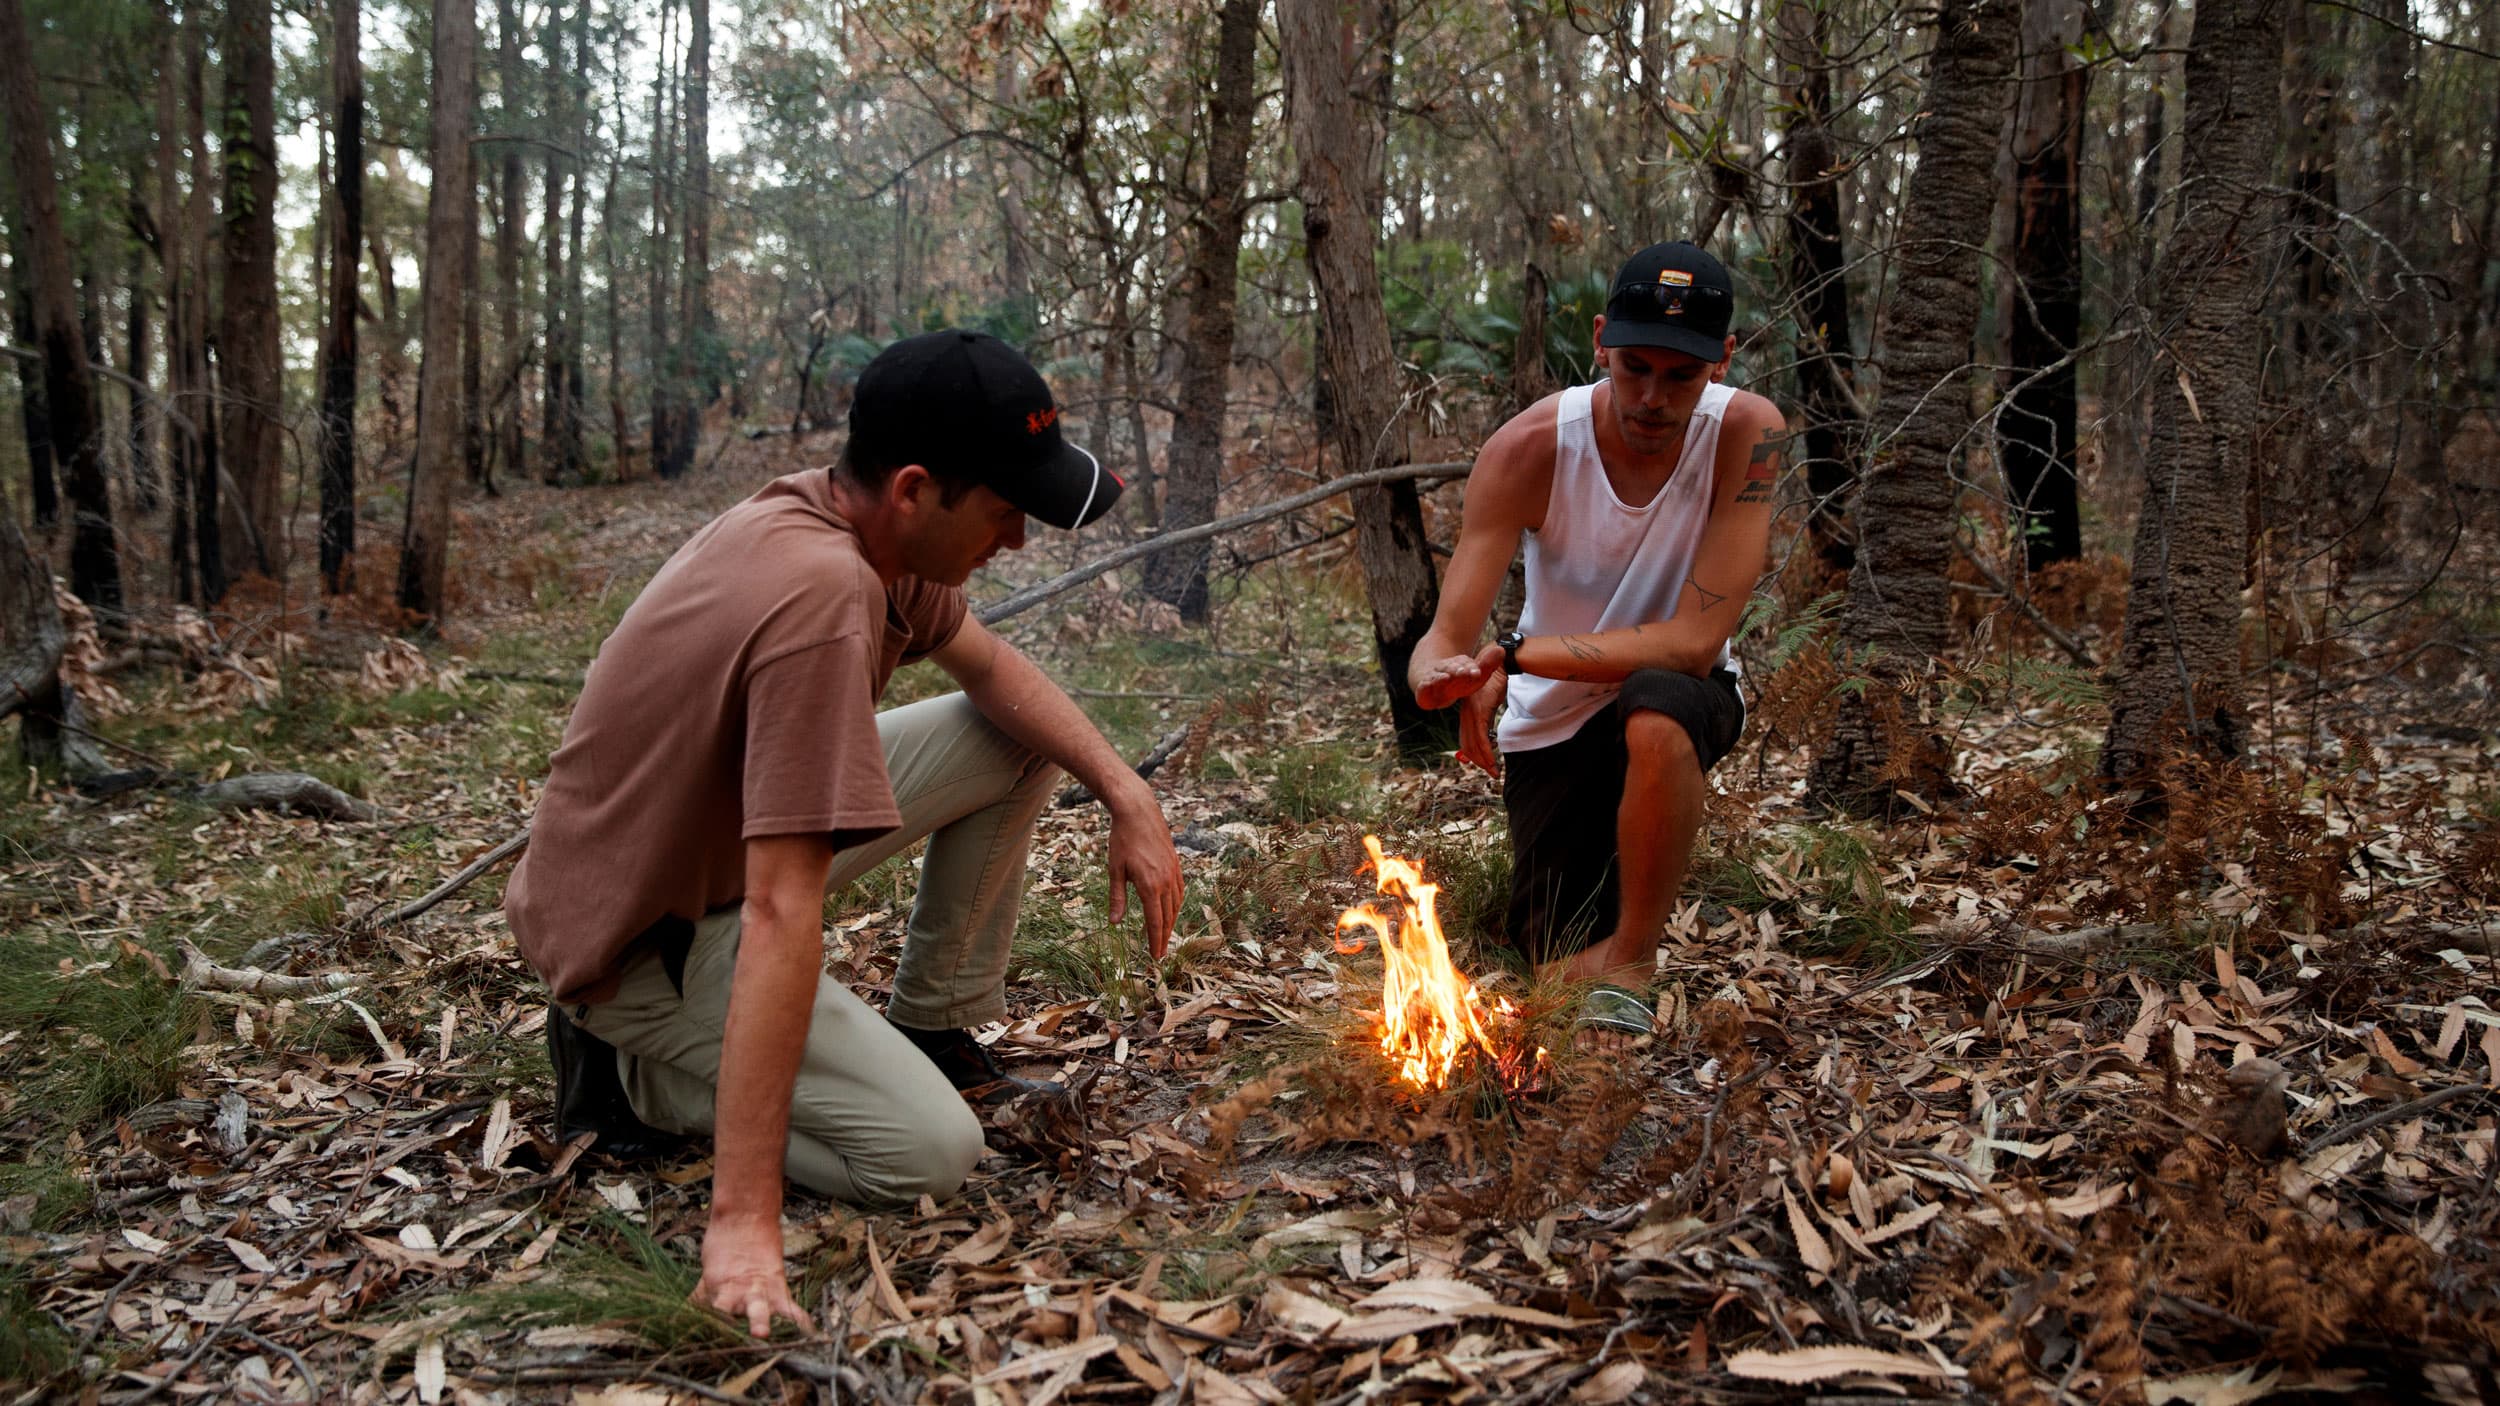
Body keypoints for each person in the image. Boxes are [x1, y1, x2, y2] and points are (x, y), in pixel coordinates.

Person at [504, 329, 1186, 1336]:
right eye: (1004, 510)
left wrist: (1128, 792)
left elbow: (993, 672)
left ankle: (933, 1021)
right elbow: (785, 906)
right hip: (638, 939)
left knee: (1012, 737)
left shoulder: (856, 527)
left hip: (701, 855)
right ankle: (642, 1080)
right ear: (914, 489)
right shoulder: (822, 592)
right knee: (928, 1154)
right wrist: (743, 1223)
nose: (1016, 542)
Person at [1407, 241, 1782, 1032]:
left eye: (1682, 375)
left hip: (1685, 689)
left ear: (1723, 358)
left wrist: (1514, 656)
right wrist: (1450, 677)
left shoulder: (1752, 433)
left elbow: (1693, 642)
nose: (1653, 397)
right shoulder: (1529, 448)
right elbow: (1443, 635)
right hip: (1553, 718)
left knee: (1658, 707)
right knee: (1553, 963)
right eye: (1634, 367)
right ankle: (1598, 950)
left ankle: (1635, 964)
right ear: (1602, 341)